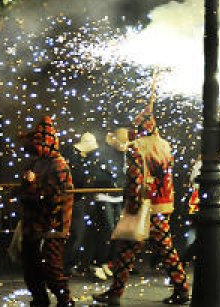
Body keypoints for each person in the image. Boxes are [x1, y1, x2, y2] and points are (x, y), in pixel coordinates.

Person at [93, 109, 190, 305]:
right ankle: (181, 289)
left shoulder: (136, 147)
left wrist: (132, 205)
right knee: (163, 250)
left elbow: (135, 179)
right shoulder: (165, 145)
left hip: (143, 206)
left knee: (127, 251)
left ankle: (116, 293)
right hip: (162, 205)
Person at [18, 115, 76, 307]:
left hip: (53, 224)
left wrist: (32, 186)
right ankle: (40, 299)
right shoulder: (36, 163)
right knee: (31, 266)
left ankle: (64, 300)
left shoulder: (59, 166)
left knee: (52, 267)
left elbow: (55, 198)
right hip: (34, 223)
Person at [65, 132, 115, 277]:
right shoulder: (74, 158)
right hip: (74, 198)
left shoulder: (81, 158)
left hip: (80, 198)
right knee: (76, 233)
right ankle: (67, 264)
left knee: (80, 233)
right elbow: (79, 176)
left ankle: (72, 264)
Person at [91, 128, 128, 282]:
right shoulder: (102, 152)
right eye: (122, 142)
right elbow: (98, 174)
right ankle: (98, 263)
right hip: (104, 195)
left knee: (116, 231)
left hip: (117, 196)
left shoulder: (124, 155)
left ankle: (106, 261)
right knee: (108, 229)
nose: (124, 145)